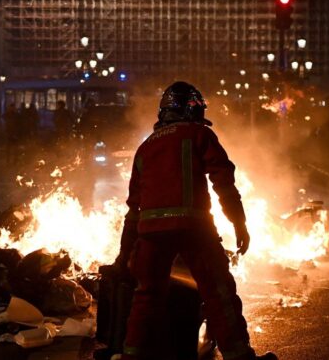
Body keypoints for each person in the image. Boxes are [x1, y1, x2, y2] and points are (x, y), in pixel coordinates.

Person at [116, 82, 276, 360]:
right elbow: (223, 182)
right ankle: (238, 355)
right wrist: (239, 223)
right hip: (194, 229)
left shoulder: (145, 148)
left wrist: (123, 254)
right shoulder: (199, 134)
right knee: (218, 293)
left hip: (151, 233)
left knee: (146, 297)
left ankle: (131, 355)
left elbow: (133, 208)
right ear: (188, 109)